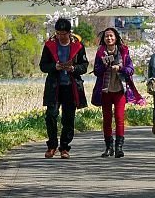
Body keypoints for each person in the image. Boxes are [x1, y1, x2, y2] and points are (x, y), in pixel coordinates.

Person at [39, 17, 89, 159]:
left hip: (71, 86)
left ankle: (65, 147)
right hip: (54, 86)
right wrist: (54, 67)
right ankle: (52, 145)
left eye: (64, 33)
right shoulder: (50, 45)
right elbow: (43, 66)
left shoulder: (78, 45)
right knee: (51, 115)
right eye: (58, 33)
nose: (61, 36)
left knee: (68, 118)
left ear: (69, 33)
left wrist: (73, 68)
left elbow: (84, 66)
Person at [92, 27, 143, 158]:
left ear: (116, 38)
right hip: (105, 90)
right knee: (107, 120)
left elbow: (131, 70)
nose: (109, 38)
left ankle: (119, 147)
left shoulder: (124, 52)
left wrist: (120, 68)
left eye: (111, 36)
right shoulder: (100, 53)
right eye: (106, 36)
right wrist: (104, 65)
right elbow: (96, 71)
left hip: (120, 90)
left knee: (120, 119)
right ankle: (108, 147)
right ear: (103, 39)